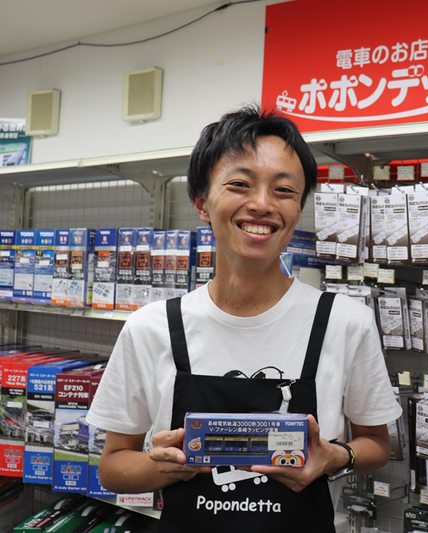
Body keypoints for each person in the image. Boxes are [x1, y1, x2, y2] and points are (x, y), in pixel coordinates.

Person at [86, 105, 402, 532]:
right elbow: (112, 468)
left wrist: (335, 456)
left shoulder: (345, 322)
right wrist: (163, 465)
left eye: (284, 190)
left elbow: (377, 443)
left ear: (298, 209)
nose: (262, 204)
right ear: (202, 202)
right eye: (240, 184)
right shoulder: (151, 327)